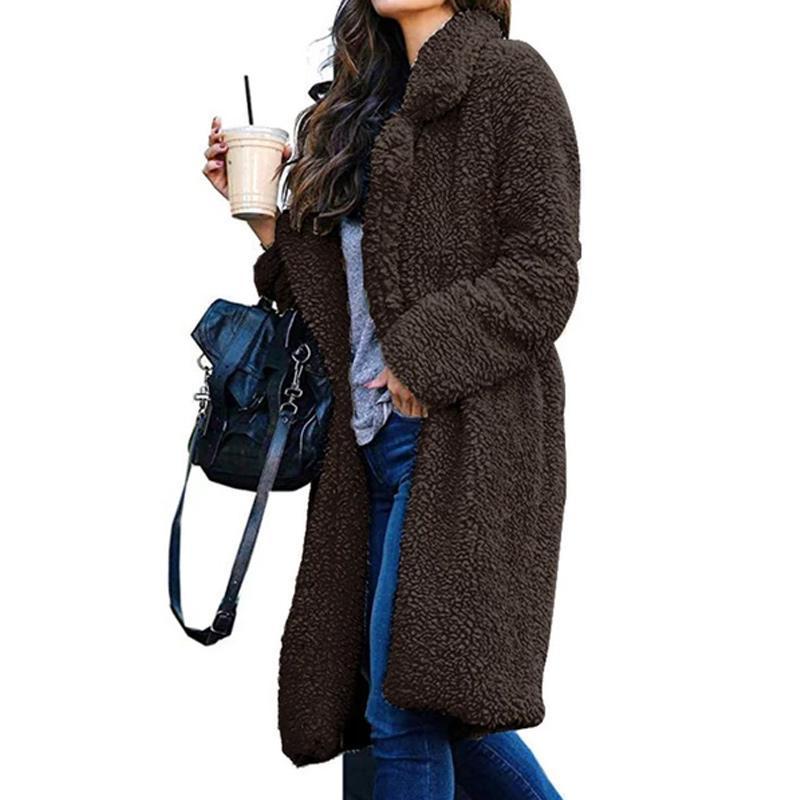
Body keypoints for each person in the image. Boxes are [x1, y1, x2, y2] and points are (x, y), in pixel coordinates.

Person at [203, 2, 580, 798]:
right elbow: (342, 309)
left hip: (462, 445)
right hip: (366, 447)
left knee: (402, 712)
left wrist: (423, 355)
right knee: (397, 710)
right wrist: (267, 222)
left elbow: (544, 272)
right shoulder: (363, 107)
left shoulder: (511, 81)